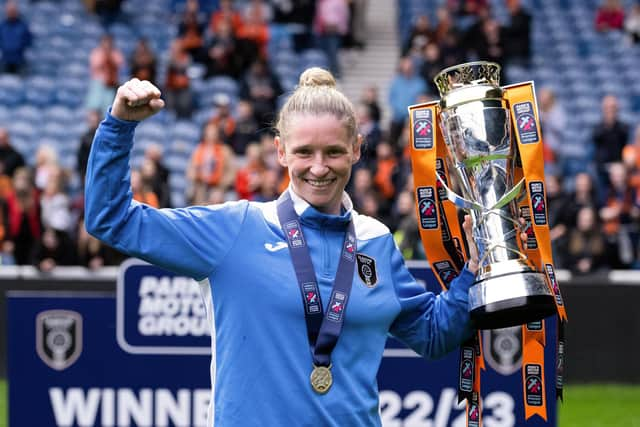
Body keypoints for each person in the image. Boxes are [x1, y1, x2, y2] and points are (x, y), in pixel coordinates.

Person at [84, 69, 479, 426]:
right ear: (280, 151)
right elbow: (111, 219)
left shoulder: (375, 240)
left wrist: (474, 271)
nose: (319, 167)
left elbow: (433, 334)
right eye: (304, 152)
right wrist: (118, 126)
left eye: (334, 152)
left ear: (357, 149)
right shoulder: (236, 228)